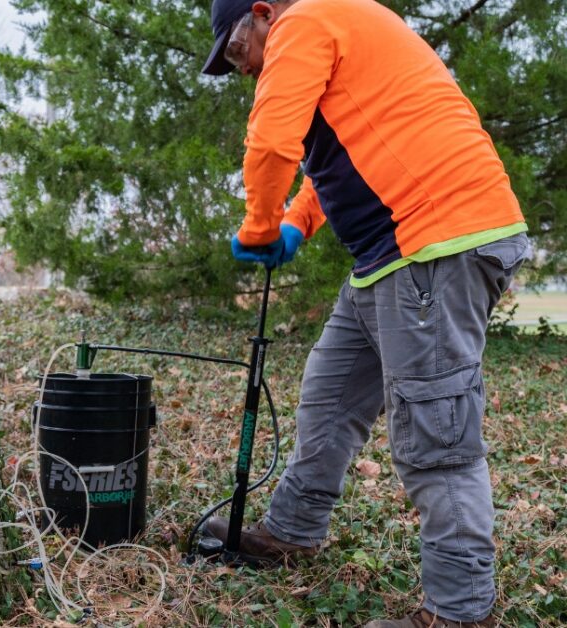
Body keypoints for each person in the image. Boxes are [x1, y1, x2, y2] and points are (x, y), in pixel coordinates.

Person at [198, 0, 532, 626]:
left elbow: (273, 141)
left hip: (435, 243)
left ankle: (461, 611)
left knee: (438, 436)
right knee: (329, 393)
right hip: (392, 253)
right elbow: (341, 157)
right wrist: (295, 223)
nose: (245, 72)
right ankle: (292, 529)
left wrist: (260, 227)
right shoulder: (344, 28)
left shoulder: (306, 19)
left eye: (240, 54)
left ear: (263, 14)